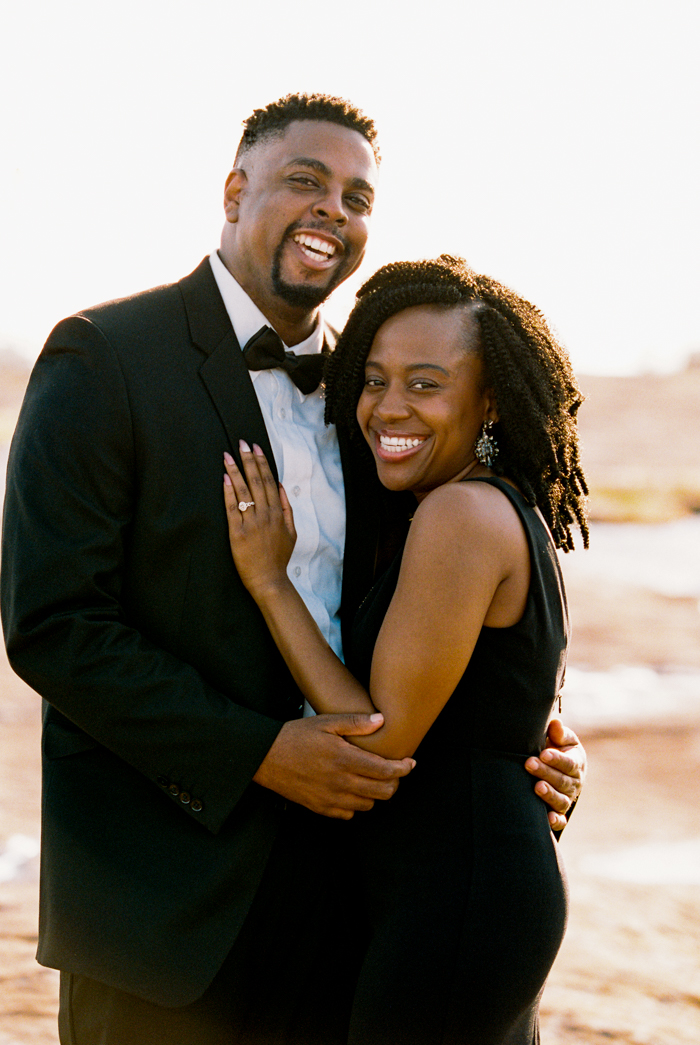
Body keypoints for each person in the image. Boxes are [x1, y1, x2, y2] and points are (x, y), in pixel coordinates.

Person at [1, 95, 585, 1044]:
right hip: (169, 901)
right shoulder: (104, 357)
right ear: (236, 192)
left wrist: (538, 741)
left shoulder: (375, 389)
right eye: (304, 182)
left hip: (359, 895)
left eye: (356, 197)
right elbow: (55, 625)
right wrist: (258, 752)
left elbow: (462, 598)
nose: (332, 212)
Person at [222, 254, 589, 1044]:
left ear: (489, 399)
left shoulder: (459, 515)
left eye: (426, 383)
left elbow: (380, 742)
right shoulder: (485, 510)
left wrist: (269, 581)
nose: (390, 406)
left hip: (460, 896)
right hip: (463, 886)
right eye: (375, 379)